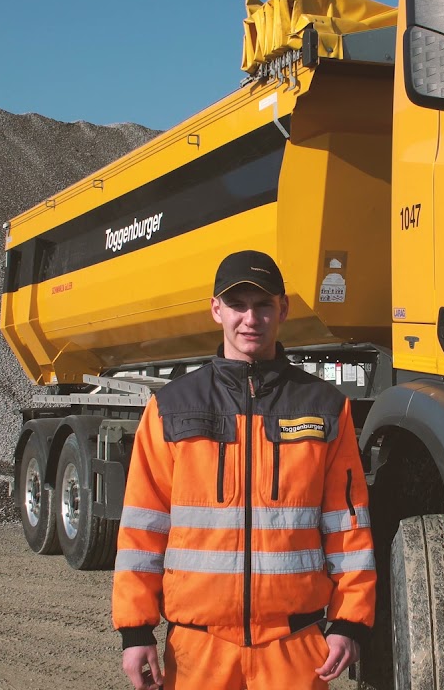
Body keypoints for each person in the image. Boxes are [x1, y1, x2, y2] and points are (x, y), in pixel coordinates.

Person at [113, 249, 376, 690]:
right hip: (197, 650)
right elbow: (143, 526)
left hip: (295, 646)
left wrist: (349, 620)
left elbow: (348, 525)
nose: (250, 318)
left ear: (283, 309)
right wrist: (136, 631)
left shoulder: (327, 408)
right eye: (237, 305)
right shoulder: (171, 408)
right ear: (216, 310)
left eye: (263, 305)